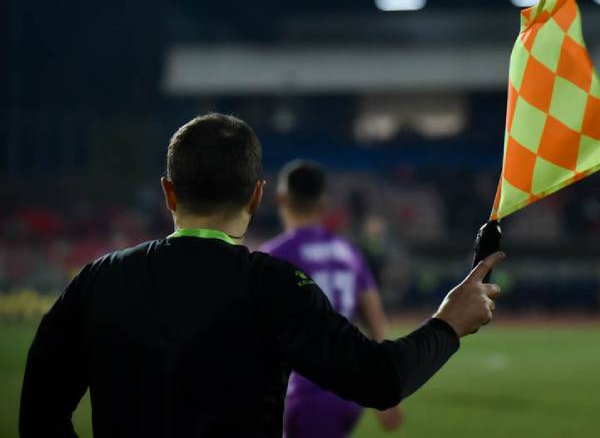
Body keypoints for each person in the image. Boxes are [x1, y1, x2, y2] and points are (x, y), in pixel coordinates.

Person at [19, 113, 504, 437]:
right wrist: (448, 323)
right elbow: (380, 380)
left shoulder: (98, 280)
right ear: (256, 196)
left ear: (169, 192)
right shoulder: (273, 285)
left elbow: (39, 414)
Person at [260, 160, 402, 437]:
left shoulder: (274, 255)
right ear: (323, 204)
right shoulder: (349, 253)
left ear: (281, 199)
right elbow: (376, 323)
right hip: (349, 391)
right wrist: (387, 392)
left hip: (306, 392)